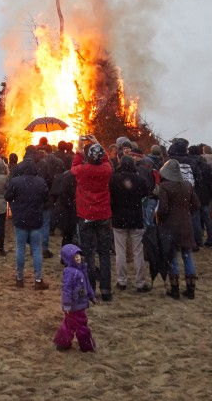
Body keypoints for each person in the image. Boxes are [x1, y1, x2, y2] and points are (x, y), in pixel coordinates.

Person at [72, 139, 115, 301]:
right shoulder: (106, 170)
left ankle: (90, 290)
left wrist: (79, 149)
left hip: (86, 216)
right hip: (103, 216)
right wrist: (98, 143)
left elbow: (73, 167)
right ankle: (106, 290)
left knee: (88, 254)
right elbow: (106, 160)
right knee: (104, 253)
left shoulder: (82, 170)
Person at [156, 159, 202, 300]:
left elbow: (163, 209)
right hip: (186, 225)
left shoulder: (164, 187)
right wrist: (186, 212)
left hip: (170, 226)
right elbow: (197, 204)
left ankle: (174, 289)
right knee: (187, 256)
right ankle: (190, 289)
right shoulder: (187, 186)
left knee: (172, 257)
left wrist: (160, 219)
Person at [4, 158, 49, 289]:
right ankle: (38, 280)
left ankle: (19, 279)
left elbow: (7, 196)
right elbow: (46, 198)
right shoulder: (40, 182)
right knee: (36, 249)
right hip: (36, 219)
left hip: (20, 219)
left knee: (20, 248)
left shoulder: (15, 182)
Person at [109, 156, 151, 293]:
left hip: (119, 218)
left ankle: (121, 281)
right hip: (135, 218)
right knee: (138, 252)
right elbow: (146, 192)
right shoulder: (139, 179)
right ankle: (140, 282)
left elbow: (110, 194)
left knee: (120, 251)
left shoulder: (114, 179)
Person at [54, 244, 97, 352]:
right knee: (81, 326)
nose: (78, 258)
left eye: (78, 255)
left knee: (69, 324)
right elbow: (66, 290)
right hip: (75, 305)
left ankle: (62, 342)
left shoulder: (81, 268)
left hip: (79, 303)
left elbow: (87, 284)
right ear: (68, 259)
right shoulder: (70, 272)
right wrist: (67, 305)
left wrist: (92, 296)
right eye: (74, 256)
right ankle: (87, 346)